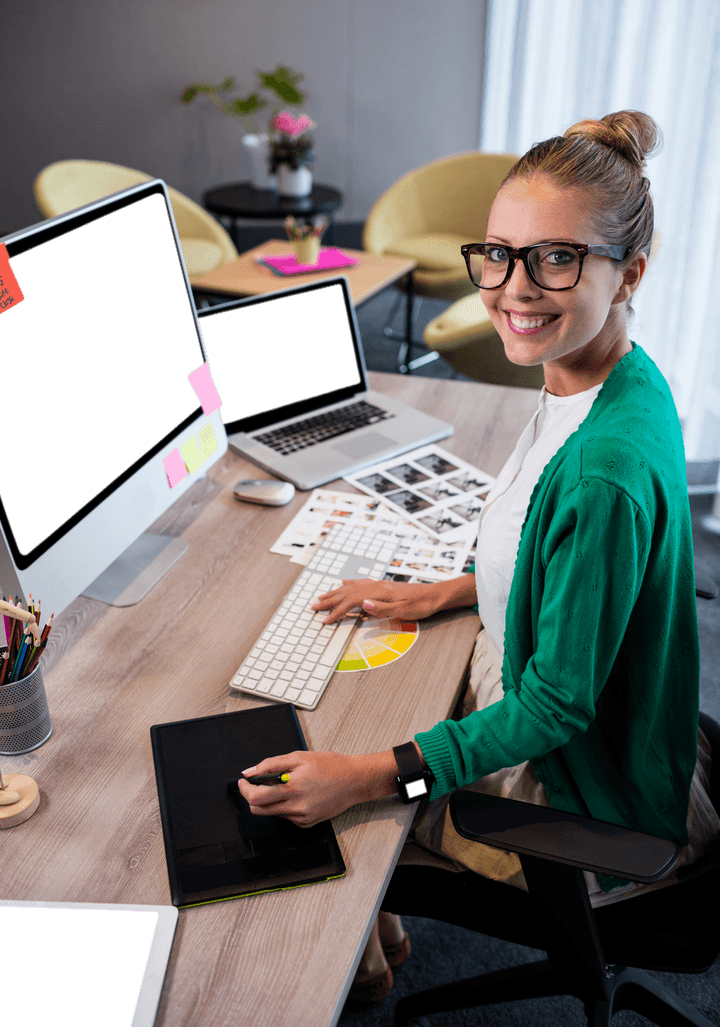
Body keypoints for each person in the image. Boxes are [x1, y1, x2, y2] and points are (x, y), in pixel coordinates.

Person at [237, 111, 719, 1001]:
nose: (512, 288)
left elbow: (555, 708)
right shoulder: (616, 378)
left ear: (629, 275)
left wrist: (370, 779)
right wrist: (439, 594)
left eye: (556, 258)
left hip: (591, 798)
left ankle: (366, 972)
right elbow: (562, 567)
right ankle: (382, 951)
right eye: (498, 253)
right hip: (626, 735)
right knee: (350, 710)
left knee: (324, 798)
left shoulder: (601, 472)